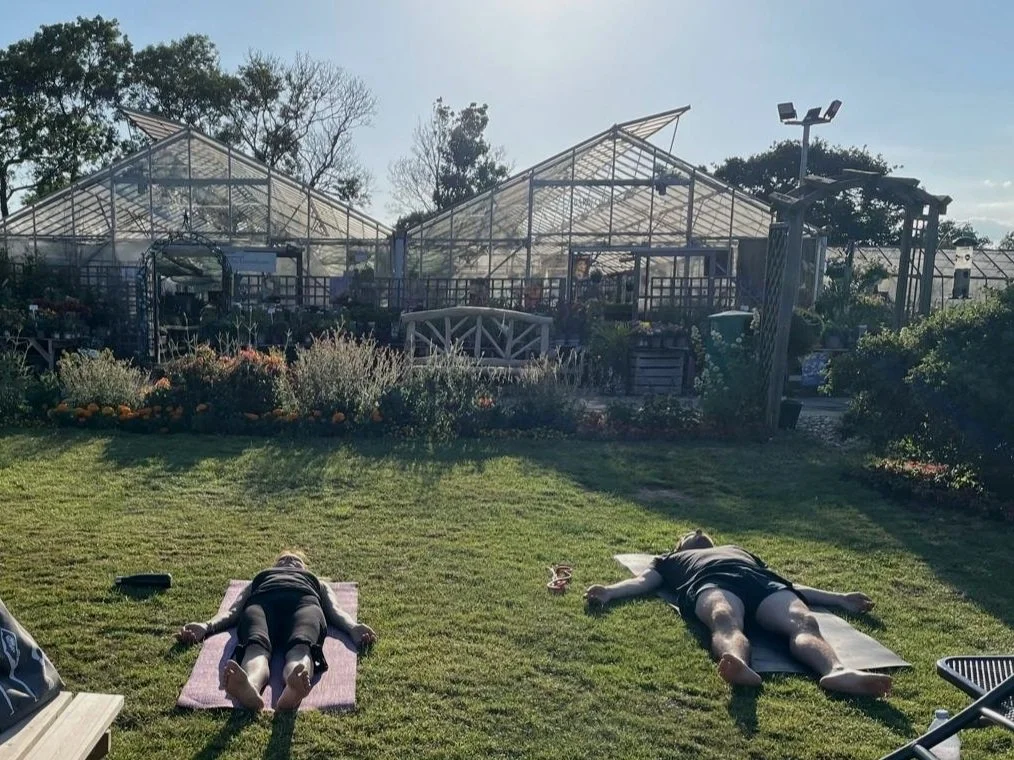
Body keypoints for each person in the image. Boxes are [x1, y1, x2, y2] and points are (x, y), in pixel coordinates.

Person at [584, 530, 892, 697]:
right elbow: (642, 582)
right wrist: (609, 591)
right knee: (724, 617)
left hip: (759, 581)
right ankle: (740, 665)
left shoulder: (738, 549)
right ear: (680, 546)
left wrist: (840, 599)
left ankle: (836, 672)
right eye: (690, 534)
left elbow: (790, 584)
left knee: (804, 620)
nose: (697, 532)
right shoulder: (669, 559)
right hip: (710, 582)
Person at [177, 550, 377, 711]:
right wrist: (206, 626)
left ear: (304, 567)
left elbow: (334, 610)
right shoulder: (261, 577)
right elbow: (233, 611)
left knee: (301, 646)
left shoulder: (316, 581)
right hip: (263, 605)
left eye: (295, 560)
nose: (289, 561)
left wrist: (353, 627)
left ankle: (294, 688)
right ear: (275, 565)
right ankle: (250, 688)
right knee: (255, 646)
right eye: (283, 560)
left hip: (304, 604)